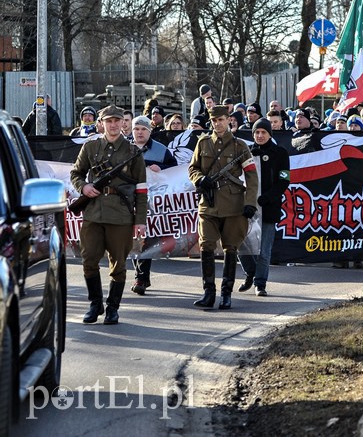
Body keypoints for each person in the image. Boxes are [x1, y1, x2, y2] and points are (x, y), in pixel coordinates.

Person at [70, 105, 148, 325]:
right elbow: (76, 173)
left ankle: (113, 308)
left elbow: (141, 190)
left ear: (123, 123)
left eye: (118, 121)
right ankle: (95, 304)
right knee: (89, 259)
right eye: (109, 121)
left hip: (121, 215)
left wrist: (140, 220)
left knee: (118, 264)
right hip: (93, 213)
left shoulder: (133, 152)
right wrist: (83, 187)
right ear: (101, 123)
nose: (114, 125)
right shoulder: (91, 147)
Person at [188, 105, 259, 309]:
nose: (217, 124)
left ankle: (226, 293)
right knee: (206, 246)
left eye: (221, 119)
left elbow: (251, 177)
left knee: (230, 248)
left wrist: (250, 203)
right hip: (208, 205)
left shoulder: (239, 146)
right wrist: (200, 179)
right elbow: (193, 167)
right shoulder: (203, 143)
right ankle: (208, 292)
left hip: (233, 204)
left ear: (229, 120)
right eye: (214, 120)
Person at [238, 117, 290, 296]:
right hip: (248, 207)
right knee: (240, 243)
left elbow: (284, 180)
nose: (260, 136)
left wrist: (267, 198)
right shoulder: (246, 153)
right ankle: (250, 272)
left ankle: (260, 283)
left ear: (270, 134)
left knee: (264, 248)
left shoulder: (280, 153)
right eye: (257, 132)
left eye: (263, 132)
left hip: (269, 207)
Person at [129, 115, 178, 295]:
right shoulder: (124, 148)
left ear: (150, 131)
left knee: (146, 238)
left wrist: (161, 168)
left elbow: (176, 171)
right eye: (136, 129)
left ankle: (141, 278)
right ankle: (140, 276)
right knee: (134, 238)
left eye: (143, 129)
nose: (140, 132)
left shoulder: (161, 150)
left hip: (152, 201)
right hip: (128, 199)